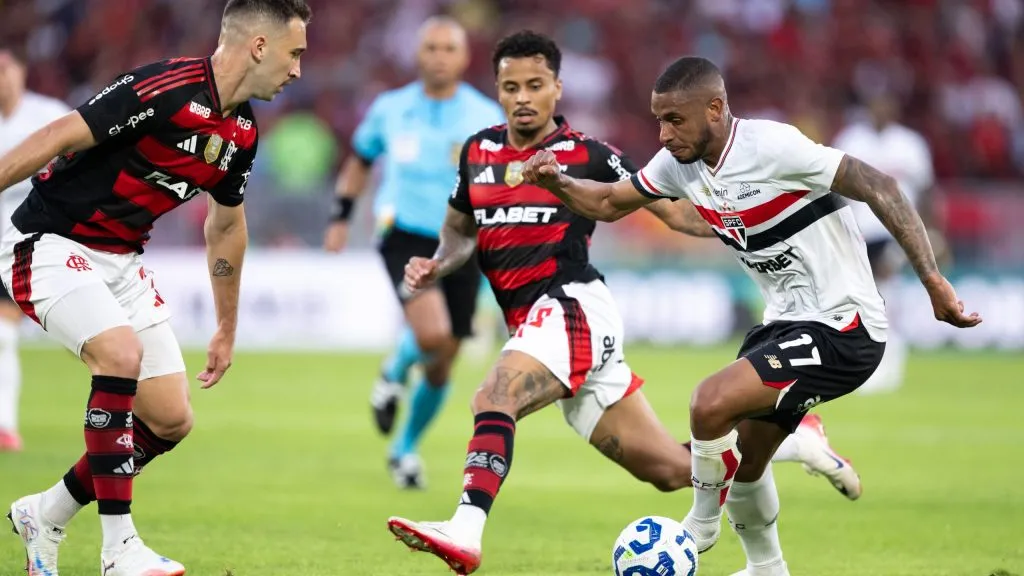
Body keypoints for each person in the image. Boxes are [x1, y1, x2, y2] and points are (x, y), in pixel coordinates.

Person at [385, 31, 866, 576]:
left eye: (535, 85)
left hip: (571, 307)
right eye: (510, 87)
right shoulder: (477, 153)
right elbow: (459, 231)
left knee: (495, 395)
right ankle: (795, 441)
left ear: (557, 88)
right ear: (496, 90)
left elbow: (675, 212)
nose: (522, 97)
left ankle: (465, 529)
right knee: (672, 471)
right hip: (532, 325)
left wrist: (751, 214)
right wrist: (437, 263)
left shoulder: (590, 154)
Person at [521, 56, 981, 576]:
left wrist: (932, 279)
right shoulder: (677, 164)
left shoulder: (772, 146)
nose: (664, 134)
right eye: (659, 120)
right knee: (744, 461)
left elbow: (882, 186)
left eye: (675, 120)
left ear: (715, 109)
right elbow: (608, 202)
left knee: (709, 402)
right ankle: (768, 567)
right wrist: (557, 182)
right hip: (782, 323)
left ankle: (701, 524)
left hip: (844, 325)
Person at [2, 1, 309, 574]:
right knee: (120, 355)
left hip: (121, 261)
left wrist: (226, 326)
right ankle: (119, 549)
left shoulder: (241, 134)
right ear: (259, 46)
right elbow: (57, 135)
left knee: (170, 418)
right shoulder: (164, 89)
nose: (297, 70)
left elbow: (226, 228)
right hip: (49, 241)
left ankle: (44, 513)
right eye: (294, 54)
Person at [323, 16, 504, 489]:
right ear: (417, 55)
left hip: (463, 239)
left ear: (464, 57)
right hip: (403, 233)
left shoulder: (485, 114)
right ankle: (395, 369)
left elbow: (502, 179)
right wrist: (341, 217)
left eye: (449, 48)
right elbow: (360, 161)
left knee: (443, 363)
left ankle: (403, 450)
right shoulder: (390, 108)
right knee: (432, 333)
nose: (439, 57)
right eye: (431, 48)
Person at [831, 93, 935, 394]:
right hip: (857, 229)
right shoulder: (852, 139)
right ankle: (873, 363)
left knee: (885, 290)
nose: (880, 110)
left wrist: (928, 231)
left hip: (897, 229)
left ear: (894, 108)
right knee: (866, 296)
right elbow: (831, 187)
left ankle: (890, 362)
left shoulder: (910, 145)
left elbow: (926, 191)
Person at [0, 48, 71, 452]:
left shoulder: (47, 115)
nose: (2, 78)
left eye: (5, 69)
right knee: (3, 335)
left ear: (22, 72)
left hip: (36, 237)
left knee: (6, 333)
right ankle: (6, 426)